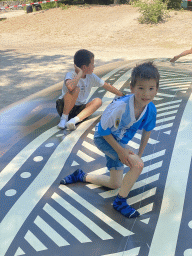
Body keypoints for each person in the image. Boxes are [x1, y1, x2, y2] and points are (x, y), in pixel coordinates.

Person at [60, 62, 159, 219]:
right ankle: (120, 202)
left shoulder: (150, 109)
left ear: (156, 89)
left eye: (151, 89)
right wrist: (121, 151)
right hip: (104, 139)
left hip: (119, 142)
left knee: (115, 184)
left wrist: (139, 153)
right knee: (137, 165)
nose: (146, 93)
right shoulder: (121, 106)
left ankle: (81, 175)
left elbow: (147, 131)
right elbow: (102, 131)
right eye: (141, 88)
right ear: (132, 88)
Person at [57, 49, 125, 130]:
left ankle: (73, 121)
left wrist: (122, 95)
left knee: (98, 101)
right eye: (92, 64)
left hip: (78, 109)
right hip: (64, 107)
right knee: (75, 89)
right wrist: (79, 74)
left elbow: (107, 86)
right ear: (84, 67)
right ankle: (64, 119)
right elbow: (70, 87)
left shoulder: (91, 76)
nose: (94, 66)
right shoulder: (70, 75)